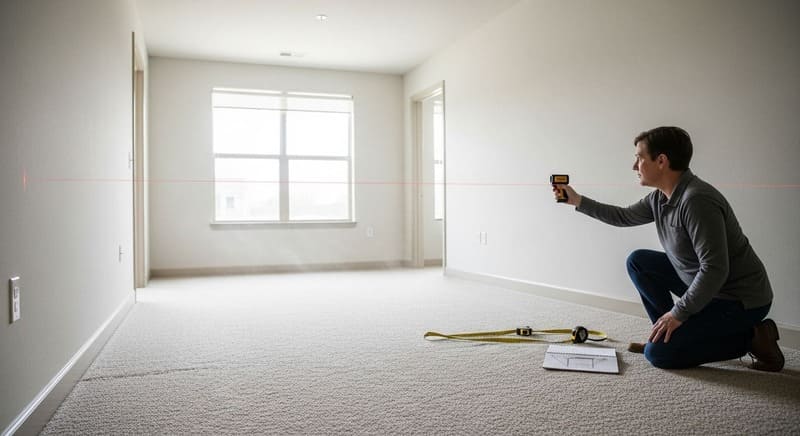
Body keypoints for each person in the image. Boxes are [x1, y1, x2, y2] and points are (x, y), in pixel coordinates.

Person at [553, 126, 784, 371]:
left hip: (738, 300)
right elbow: (623, 216)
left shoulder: (696, 201)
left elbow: (715, 269)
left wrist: (678, 313)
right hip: (705, 287)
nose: (634, 166)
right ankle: (665, 334)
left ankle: (755, 338)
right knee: (639, 261)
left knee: (660, 356)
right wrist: (577, 200)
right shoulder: (660, 198)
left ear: (661, 161)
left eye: (639, 158)